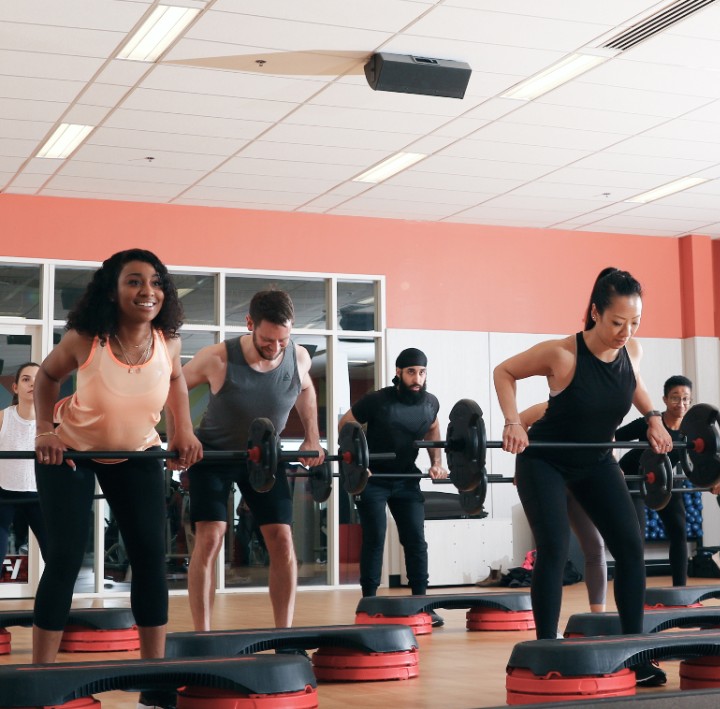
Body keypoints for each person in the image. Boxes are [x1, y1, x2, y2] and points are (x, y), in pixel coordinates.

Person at [494, 267, 671, 687]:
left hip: (595, 460)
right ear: (595, 312)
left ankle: (635, 652)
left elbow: (635, 386)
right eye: (617, 322)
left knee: (630, 547)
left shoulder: (632, 352)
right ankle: (545, 650)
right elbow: (504, 372)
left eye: (634, 323)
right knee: (554, 547)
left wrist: (654, 418)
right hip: (545, 459)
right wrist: (513, 421)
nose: (625, 331)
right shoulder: (562, 355)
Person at [30, 249, 203, 674]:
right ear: (112, 290)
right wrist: (44, 431)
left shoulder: (169, 342)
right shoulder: (85, 339)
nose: (148, 291)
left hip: (137, 453)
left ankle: (153, 678)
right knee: (66, 558)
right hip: (71, 454)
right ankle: (39, 677)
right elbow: (47, 377)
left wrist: (183, 428)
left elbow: (177, 380)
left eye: (156, 282)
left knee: (149, 558)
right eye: (135, 281)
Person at [182, 289, 324, 631]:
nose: (275, 348)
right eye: (267, 340)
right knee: (211, 537)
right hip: (213, 454)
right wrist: (182, 434)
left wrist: (312, 435)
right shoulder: (217, 357)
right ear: (249, 324)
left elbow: (305, 389)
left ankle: (283, 634)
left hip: (265, 455)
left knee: (282, 539)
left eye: (283, 340)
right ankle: (202, 635)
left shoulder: (298, 356)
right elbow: (174, 388)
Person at [340, 347, 443, 598]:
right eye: (411, 372)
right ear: (398, 372)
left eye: (421, 372)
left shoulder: (431, 403)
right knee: (375, 539)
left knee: (415, 540)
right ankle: (369, 600)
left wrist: (437, 461)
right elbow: (346, 425)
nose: (417, 379)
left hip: (407, 478)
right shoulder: (376, 400)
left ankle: (421, 602)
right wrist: (358, 464)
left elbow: (433, 428)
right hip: (372, 479)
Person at [518, 401, 609, 614]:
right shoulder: (547, 408)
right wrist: (522, 467)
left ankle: (598, 617)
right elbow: (519, 422)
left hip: (579, 484)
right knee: (553, 549)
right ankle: (548, 628)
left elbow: (607, 442)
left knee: (595, 545)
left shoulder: (601, 411)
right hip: (548, 482)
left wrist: (611, 470)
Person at [617, 375, 695, 589]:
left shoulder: (691, 430)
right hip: (634, 477)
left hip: (664, 479)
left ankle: (680, 591)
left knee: (679, 531)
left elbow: (704, 462)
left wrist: (718, 481)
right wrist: (614, 467)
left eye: (686, 399)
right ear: (664, 399)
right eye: (675, 398)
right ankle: (637, 590)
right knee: (637, 536)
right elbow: (612, 437)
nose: (681, 404)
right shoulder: (651, 423)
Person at [0, 363, 45, 567]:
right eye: (26, 379)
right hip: (4, 494)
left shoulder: (52, 422)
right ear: (16, 387)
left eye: (37, 380)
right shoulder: (3, 417)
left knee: (54, 555)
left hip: (39, 495)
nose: (32, 384)